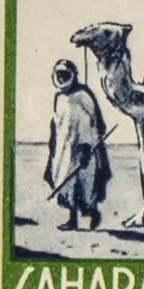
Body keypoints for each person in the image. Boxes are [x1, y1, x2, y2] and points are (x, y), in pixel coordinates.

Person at [43, 41, 110, 234]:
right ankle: (72, 219)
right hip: (64, 149)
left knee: (85, 184)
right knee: (65, 182)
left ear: (72, 75)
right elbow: (57, 123)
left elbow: (95, 121)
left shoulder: (83, 95)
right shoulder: (59, 97)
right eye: (59, 74)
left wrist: (87, 146)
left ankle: (93, 214)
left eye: (65, 74)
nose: (62, 78)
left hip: (83, 148)